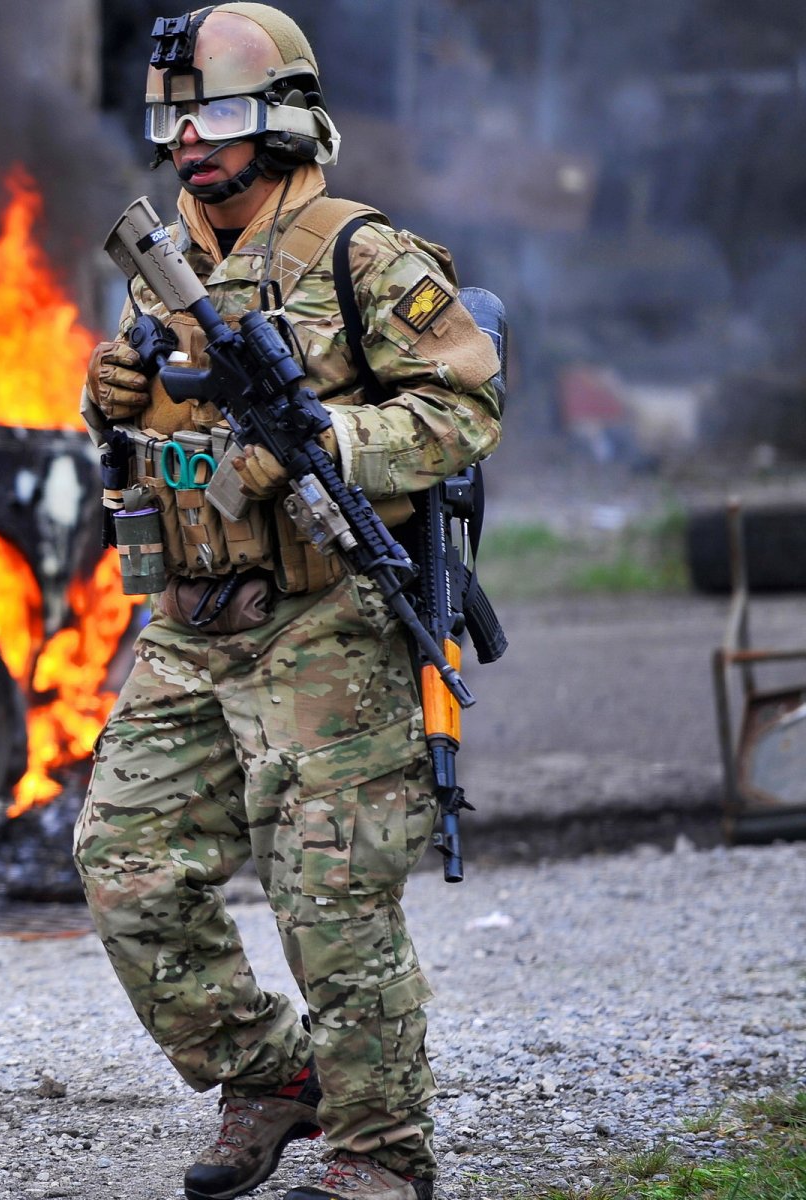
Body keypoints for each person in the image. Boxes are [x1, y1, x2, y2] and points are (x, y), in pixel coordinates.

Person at [72, 6, 502, 1200]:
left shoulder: (363, 254)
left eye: (211, 117)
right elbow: (148, 439)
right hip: (193, 626)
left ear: (282, 117)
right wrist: (112, 398)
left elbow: (466, 405)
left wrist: (330, 440)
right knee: (125, 865)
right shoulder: (170, 266)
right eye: (174, 121)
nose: (190, 143)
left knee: (332, 892)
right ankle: (269, 1075)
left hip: (325, 623)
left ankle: (378, 1154)